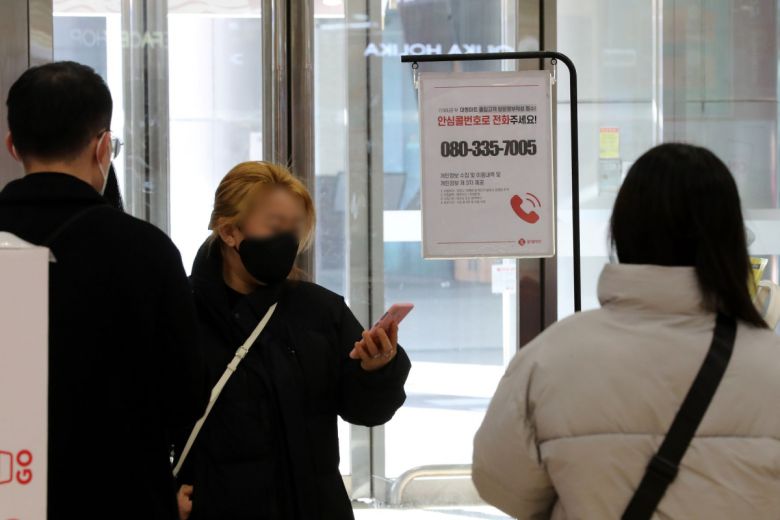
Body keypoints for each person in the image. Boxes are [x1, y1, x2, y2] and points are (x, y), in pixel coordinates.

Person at [472, 143, 780, 518]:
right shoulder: (771, 362)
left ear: (622, 231)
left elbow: (500, 484)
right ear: (731, 238)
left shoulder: (550, 357)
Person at [0, 61, 205, 519]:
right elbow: (186, 395)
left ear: (13, 145)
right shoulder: (147, 251)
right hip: (119, 494)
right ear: (103, 147)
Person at [175, 162, 411, 520]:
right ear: (229, 231)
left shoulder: (321, 310)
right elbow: (136, 416)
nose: (286, 240)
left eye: (295, 228)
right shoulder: (179, 312)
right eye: (275, 226)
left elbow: (366, 411)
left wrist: (376, 369)